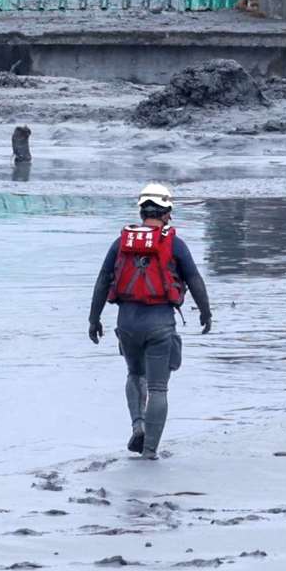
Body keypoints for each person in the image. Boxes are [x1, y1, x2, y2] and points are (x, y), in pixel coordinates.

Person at [87, 183, 213, 458]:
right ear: (167, 212)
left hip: (127, 324)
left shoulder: (121, 242)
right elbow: (194, 279)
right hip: (159, 323)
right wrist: (206, 312)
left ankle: (138, 426)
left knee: (134, 374)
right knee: (158, 387)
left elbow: (101, 282)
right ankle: (150, 451)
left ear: (142, 211)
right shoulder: (174, 243)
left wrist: (93, 319)